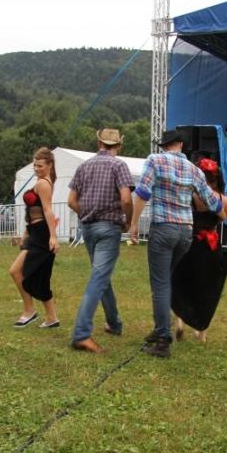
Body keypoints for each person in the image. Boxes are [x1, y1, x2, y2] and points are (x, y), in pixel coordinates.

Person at [129, 129, 223, 359]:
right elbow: (213, 203)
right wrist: (222, 208)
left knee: (160, 283)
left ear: (164, 146)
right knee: (168, 280)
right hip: (186, 232)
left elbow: (143, 192)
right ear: (181, 145)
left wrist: (133, 223)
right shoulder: (194, 169)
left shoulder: (155, 160)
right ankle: (160, 327)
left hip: (163, 228)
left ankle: (163, 338)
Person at [67, 128, 134, 353]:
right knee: (98, 278)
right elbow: (126, 199)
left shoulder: (83, 166)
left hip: (88, 228)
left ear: (98, 143)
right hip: (109, 227)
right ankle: (81, 334)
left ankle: (114, 324)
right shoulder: (119, 165)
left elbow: (71, 201)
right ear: (119, 146)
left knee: (101, 275)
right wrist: (128, 221)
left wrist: (85, 214)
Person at [172, 157, 227, 343]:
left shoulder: (190, 197)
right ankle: (201, 331)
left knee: (181, 282)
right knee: (207, 288)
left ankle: (179, 320)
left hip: (188, 245)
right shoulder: (222, 200)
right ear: (217, 179)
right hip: (210, 249)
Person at [8, 147, 60, 328]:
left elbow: (47, 210)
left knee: (17, 271)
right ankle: (52, 318)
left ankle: (29, 311)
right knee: (40, 276)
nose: (36, 169)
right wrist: (26, 233)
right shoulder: (41, 182)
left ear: (49, 165)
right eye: (35, 165)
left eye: (40, 166)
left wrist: (53, 237)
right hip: (35, 232)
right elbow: (34, 212)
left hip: (42, 234)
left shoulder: (43, 184)